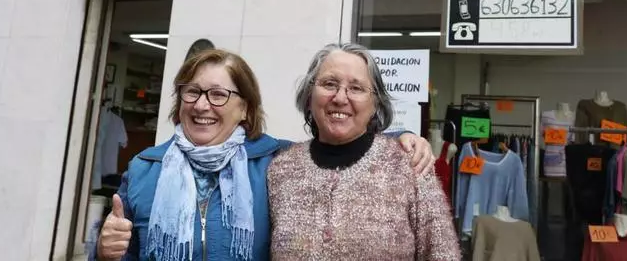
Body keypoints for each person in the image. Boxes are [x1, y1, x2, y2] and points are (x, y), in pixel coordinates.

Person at [95, 48, 434, 260]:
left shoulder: (277, 162)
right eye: (192, 92)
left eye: (218, 95)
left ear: (244, 108)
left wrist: (401, 137)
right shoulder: (144, 168)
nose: (202, 105)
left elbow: (340, 147)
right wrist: (104, 252)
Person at [267, 43, 460, 260]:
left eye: (356, 88)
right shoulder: (281, 171)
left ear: (375, 103)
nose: (340, 98)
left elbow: (443, 254)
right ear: (309, 95)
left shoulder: (410, 166)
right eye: (329, 84)